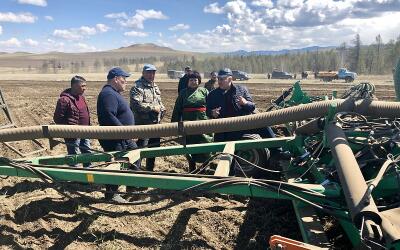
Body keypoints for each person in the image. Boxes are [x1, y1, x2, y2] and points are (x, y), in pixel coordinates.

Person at [97, 67, 139, 202]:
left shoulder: (113, 93)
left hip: (122, 137)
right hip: (116, 138)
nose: (126, 82)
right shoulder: (108, 94)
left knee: (133, 159)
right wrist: (124, 132)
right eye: (124, 79)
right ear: (115, 79)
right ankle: (112, 194)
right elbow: (109, 116)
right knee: (116, 165)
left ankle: (132, 189)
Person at [171, 71, 213, 171]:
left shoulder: (204, 91)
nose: (193, 82)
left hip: (203, 123)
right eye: (191, 80)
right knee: (189, 145)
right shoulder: (183, 93)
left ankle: (206, 167)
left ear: (199, 81)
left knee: (206, 143)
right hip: (188, 123)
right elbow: (177, 109)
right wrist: (174, 125)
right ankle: (192, 167)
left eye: (195, 80)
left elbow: (211, 106)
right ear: (187, 81)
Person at [130, 64, 165, 171]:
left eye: (153, 72)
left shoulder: (155, 86)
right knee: (139, 151)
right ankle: (135, 175)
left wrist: (162, 108)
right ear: (143, 73)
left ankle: (150, 171)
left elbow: (159, 101)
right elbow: (136, 104)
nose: (151, 75)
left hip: (155, 124)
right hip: (143, 125)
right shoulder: (137, 87)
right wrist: (153, 108)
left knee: (153, 150)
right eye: (149, 72)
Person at [206, 68, 257, 142]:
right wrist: (212, 113)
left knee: (265, 128)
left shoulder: (241, 90)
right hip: (223, 131)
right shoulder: (213, 95)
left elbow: (252, 107)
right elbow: (207, 112)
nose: (219, 81)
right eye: (218, 79)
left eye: (222, 79)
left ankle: (277, 151)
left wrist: (245, 103)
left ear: (230, 79)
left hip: (242, 128)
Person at [53, 75, 92, 168]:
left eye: (85, 86)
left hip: (85, 131)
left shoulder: (81, 97)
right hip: (73, 134)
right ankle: (77, 177)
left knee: (87, 152)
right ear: (74, 86)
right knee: (74, 155)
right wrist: (69, 130)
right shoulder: (64, 100)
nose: (84, 88)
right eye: (82, 86)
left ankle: (89, 173)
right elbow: (58, 118)